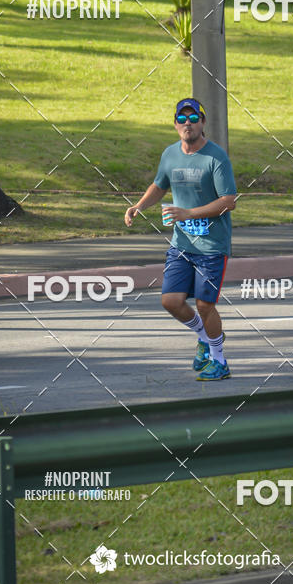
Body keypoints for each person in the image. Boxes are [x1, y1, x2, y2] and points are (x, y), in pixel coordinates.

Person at [124, 98, 237, 381]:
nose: (188, 123)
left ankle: (219, 361)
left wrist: (187, 213)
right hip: (181, 245)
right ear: (175, 124)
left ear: (202, 122)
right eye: (182, 118)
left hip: (211, 246)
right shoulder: (170, 154)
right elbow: (159, 185)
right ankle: (204, 336)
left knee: (204, 305)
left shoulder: (216, 157)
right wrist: (139, 206)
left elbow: (228, 201)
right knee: (171, 301)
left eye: (193, 118)